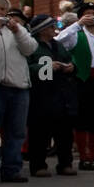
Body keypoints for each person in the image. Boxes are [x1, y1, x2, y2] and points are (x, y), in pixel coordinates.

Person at [56, 2, 94, 170]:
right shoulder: (76, 34)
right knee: (82, 119)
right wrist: (77, 25)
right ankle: (84, 156)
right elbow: (58, 40)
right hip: (83, 79)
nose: (91, 16)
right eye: (88, 13)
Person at [25, 14, 78, 178]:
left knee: (64, 132)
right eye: (50, 27)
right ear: (41, 30)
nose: (53, 29)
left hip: (61, 93)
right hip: (41, 94)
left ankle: (65, 163)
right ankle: (38, 165)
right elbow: (29, 68)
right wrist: (48, 66)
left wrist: (71, 67)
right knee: (40, 132)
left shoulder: (57, 45)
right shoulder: (32, 46)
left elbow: (69, 59)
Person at [0, 0, 37, 182]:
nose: (0, 13)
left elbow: (31, 48)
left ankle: (12, 169)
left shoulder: (17, 29)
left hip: (18, 87)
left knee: (16, 131)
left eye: (2, 10)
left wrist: (17, 31)